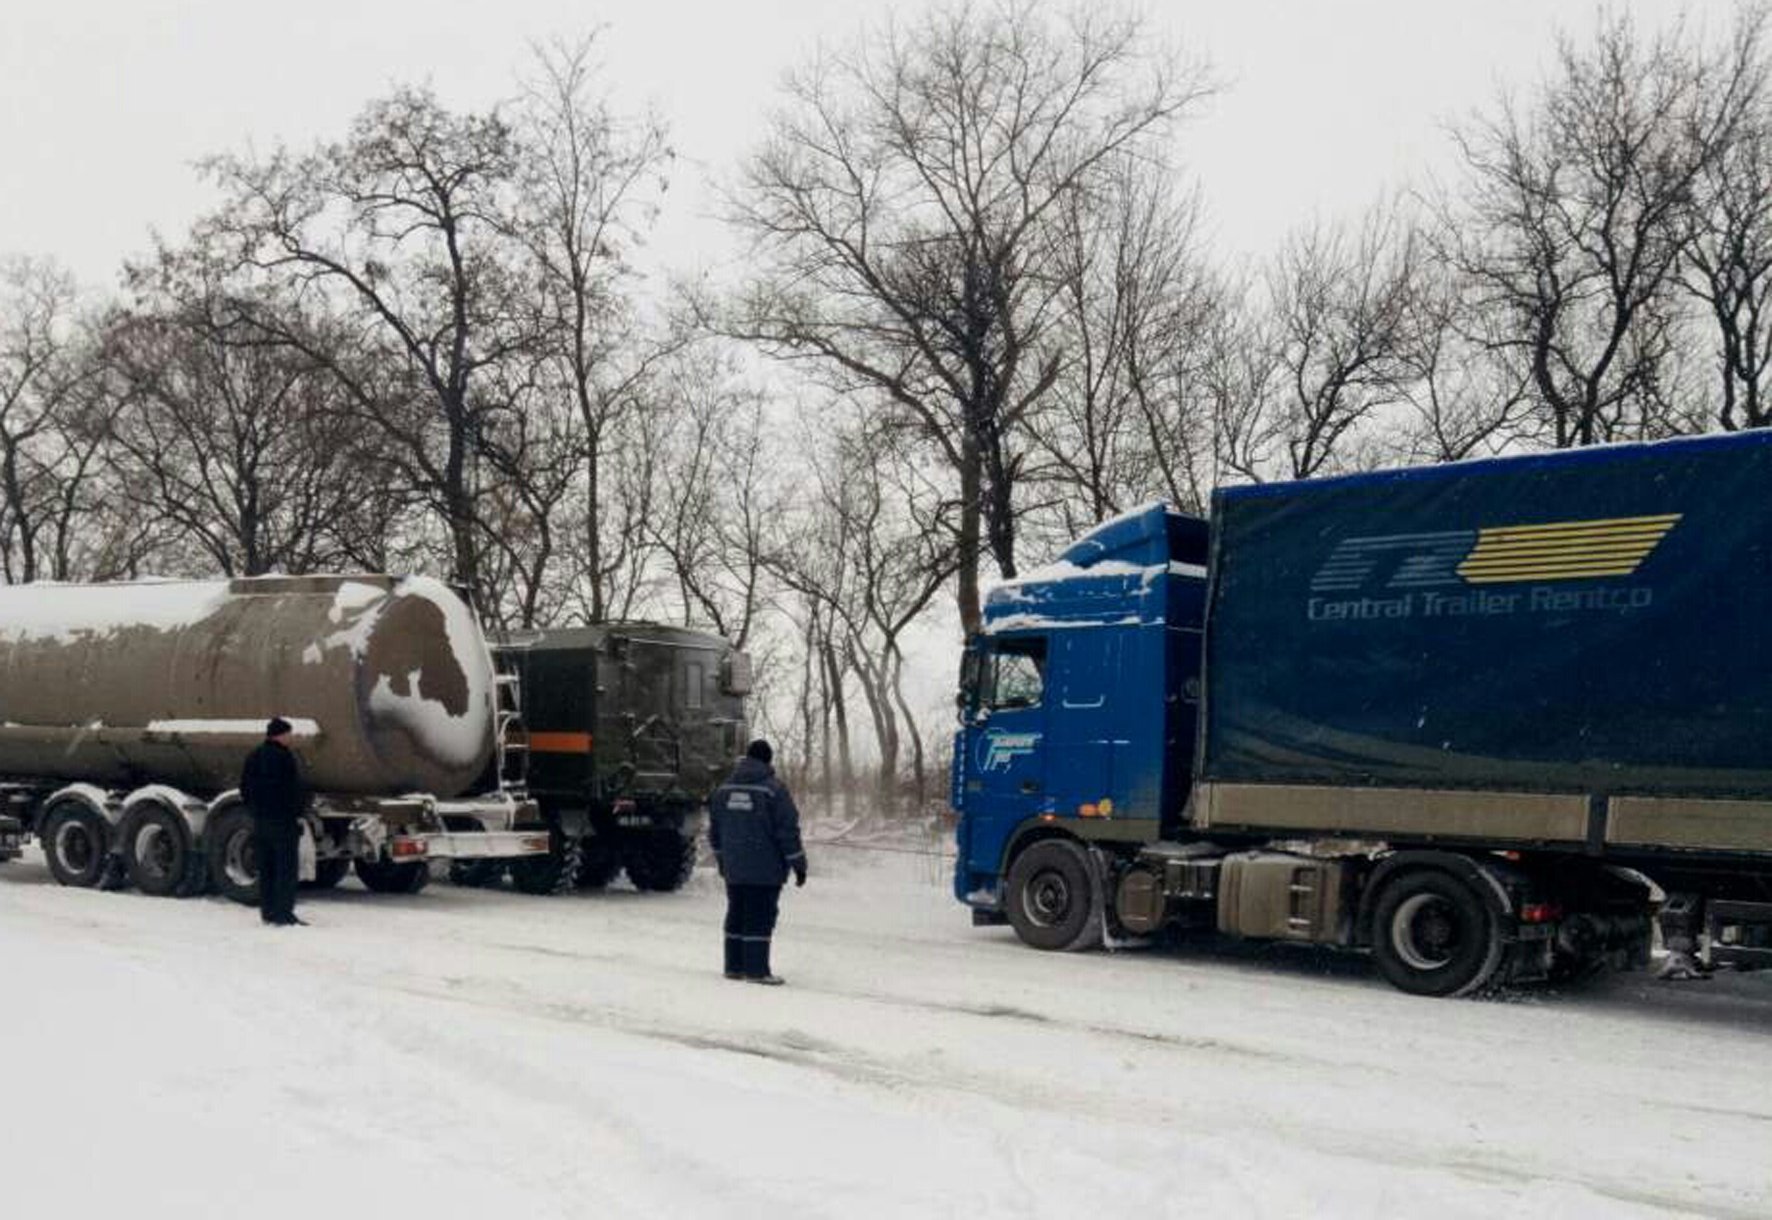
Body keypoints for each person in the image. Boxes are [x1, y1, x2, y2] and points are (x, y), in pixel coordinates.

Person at [708, 739, 806, 984]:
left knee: (736, 913)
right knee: (760, 916)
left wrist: (722, 860)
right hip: (765, 869)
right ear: (768, 761)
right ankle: (757, 971)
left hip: (734, 868)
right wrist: (798, 864)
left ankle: (733, 967)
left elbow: (715, 832)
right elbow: (787, 831)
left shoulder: (723, 791)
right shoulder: (774, 790)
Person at [240, 716, 308, 927]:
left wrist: (255, 810)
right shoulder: (284, 757)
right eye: (288, 733)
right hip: (283, 822)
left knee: (267, 868)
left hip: (261, 821)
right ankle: (284, 913)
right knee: (285, 869)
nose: (290, 737)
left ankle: (268, 911)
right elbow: (291, 790)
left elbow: (245, 788)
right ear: (280, 734)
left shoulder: (254, 756)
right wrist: (297, 812)